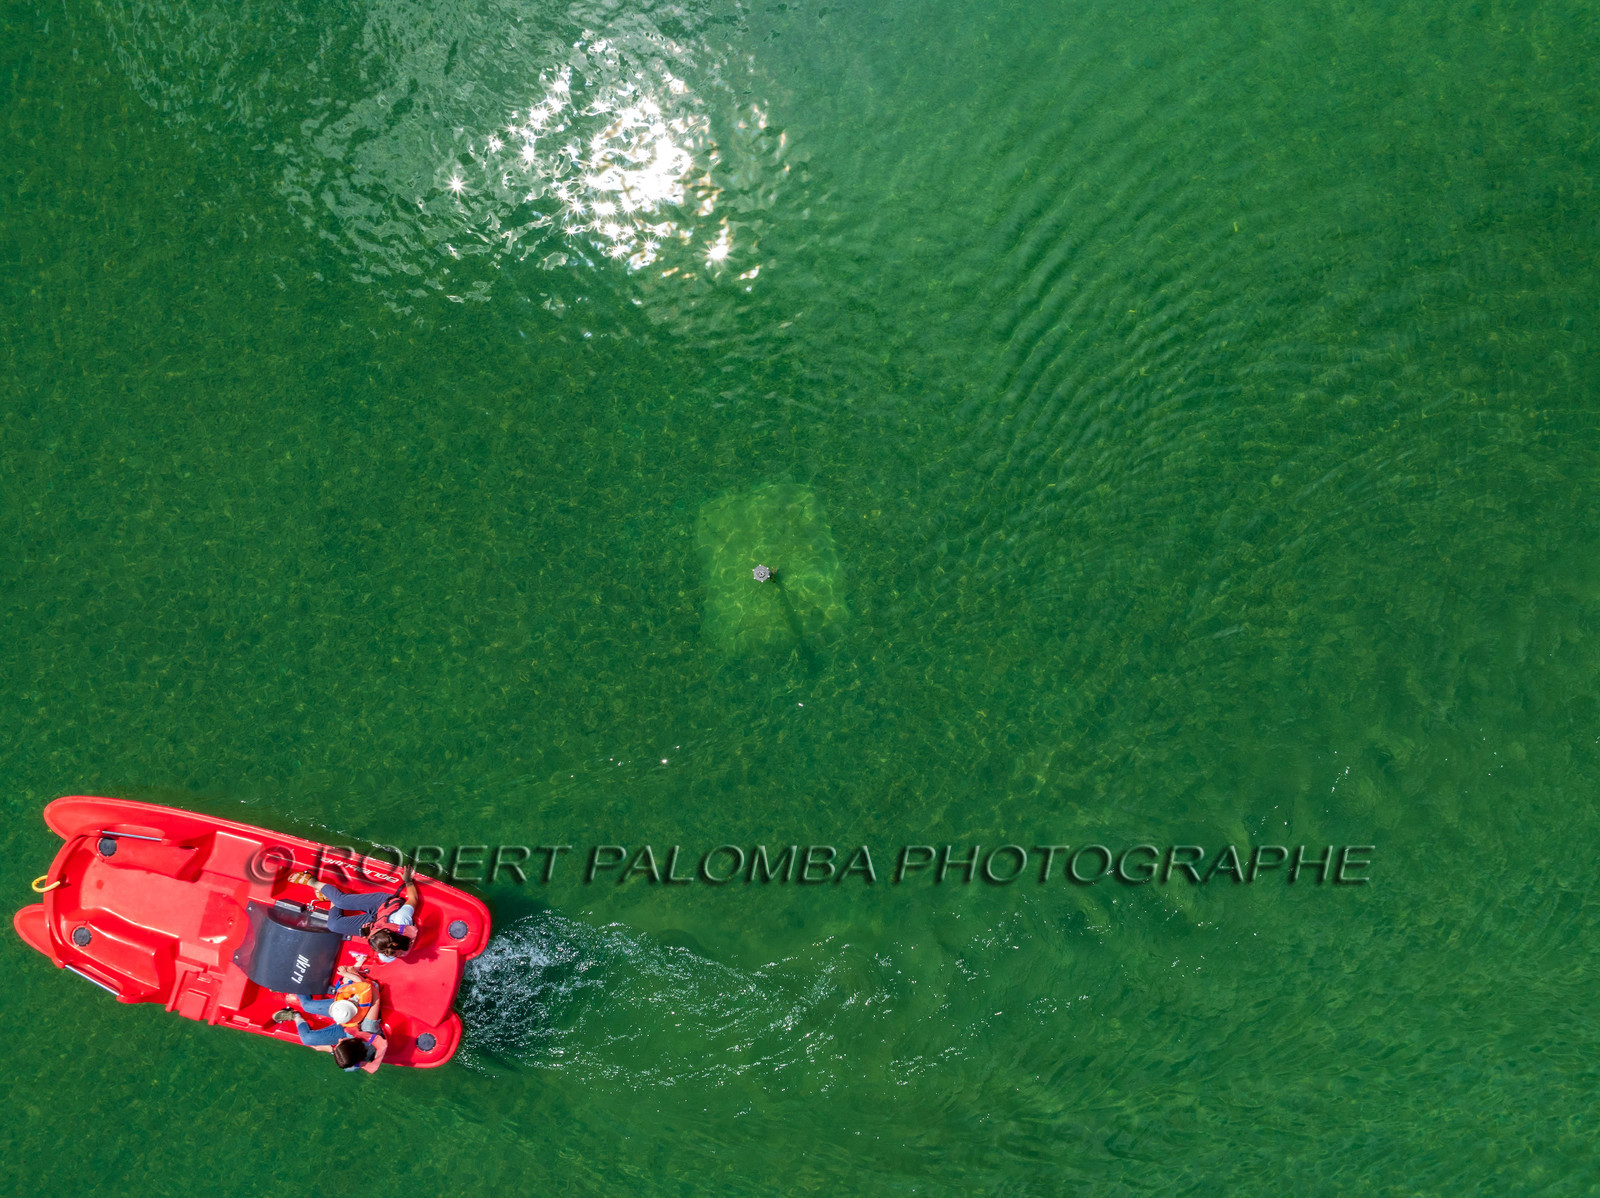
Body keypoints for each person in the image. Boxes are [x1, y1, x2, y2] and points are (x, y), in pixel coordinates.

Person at [287, 866, 420, 962]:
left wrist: (368, 932)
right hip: (384, 905)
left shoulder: (386, 953)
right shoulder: (401, 919)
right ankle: (313, 882)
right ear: (388, 931)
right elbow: (413, 899)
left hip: (377, 918)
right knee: (341, 900)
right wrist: (408, 880)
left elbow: (377, 936)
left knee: (334, 925)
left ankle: (329, 896)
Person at [273, 965, 387, 1073]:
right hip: (352, 1010)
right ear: (353, 1042)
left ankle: (295, 1015)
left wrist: (330, 1050)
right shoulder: (369, 1029)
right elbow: (375, 997)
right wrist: (356, 977)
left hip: (347, 1030)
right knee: (307, 1006)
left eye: (336, 1044)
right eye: (339, 1043)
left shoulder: (351, 1061)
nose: (338, 1041)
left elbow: (346, 1062)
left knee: (307, 1039)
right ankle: (293, 983)